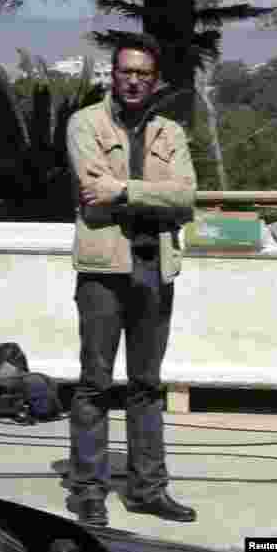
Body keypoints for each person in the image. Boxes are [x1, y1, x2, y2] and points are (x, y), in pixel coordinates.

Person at [65, 34, 197, 526]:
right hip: (103, 270)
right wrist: (150, 193)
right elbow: (89, 186)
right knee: (95, 383)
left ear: (154, 79)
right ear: (112, 75)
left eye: (144, 73)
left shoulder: (171, 133)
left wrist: (121, 189)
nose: (135, 80)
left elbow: (186, 197)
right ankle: (89, 492)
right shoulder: (85, 123)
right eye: (127, 72)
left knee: (147, 385)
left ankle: (148, 488)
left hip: (154, 268)